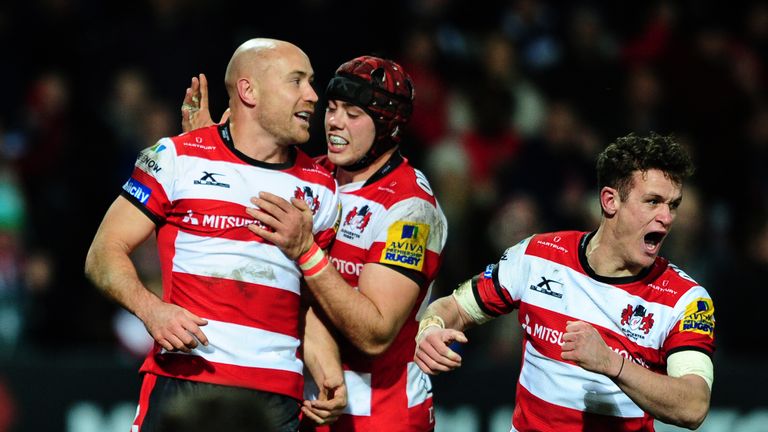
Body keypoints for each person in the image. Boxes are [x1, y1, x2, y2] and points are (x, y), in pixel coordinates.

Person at [85, 38, 346, 432]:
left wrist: (328, 370)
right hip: (188, 384)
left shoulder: (322, 187)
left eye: (311, 83)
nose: (312, 96)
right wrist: (151, 310)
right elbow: (103, 254)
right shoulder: (176, 158)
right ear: (248, 90)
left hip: (277, 399)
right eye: (296, 81)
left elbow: (307, 303)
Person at [183, 55, 448, 431]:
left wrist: (306, 251)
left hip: (380, 414)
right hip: (304, 401)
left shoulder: (410, 210)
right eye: (333, 108)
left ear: (388, 125)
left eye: (353, 114)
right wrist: (207, 148)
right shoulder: (313, 176)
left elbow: (375, 334)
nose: (335, 122)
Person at [414, 132, 715, 431]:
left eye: (673, 205)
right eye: (653, 201)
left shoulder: (684, 299)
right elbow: (453, 308)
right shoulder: (538, 257)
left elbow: (694, 406)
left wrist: (612, 363)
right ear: (610, 201)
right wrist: (430, 328)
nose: (667, 216)